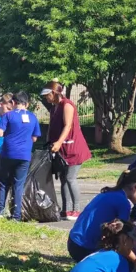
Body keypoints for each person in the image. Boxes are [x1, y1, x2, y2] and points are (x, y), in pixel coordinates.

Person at [67, 167, 136, 263]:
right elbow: (121, 240)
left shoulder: (109, 193)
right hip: (84, 249)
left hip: (73, 242)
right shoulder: (123, 203)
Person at [41, 80, 92, 221]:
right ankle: (66, 209)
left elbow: (68, 126)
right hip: (61, 150)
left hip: (73, 148)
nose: (46, 98)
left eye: (47, 95)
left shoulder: (67, 105)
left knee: (70, 178)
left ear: (54, 93)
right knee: (63, 178)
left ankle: (76, 209)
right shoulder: (54, 108)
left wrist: (58, 142)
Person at [0, 92, 41, 221]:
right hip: (24, 155)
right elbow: (35, 138)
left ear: (13, 103)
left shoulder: (8, 115)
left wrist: (8, 134)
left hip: (8, 153)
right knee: (18, 184)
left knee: (4, 182)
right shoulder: (33, 117)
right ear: (27, 104)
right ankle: (16, 214)